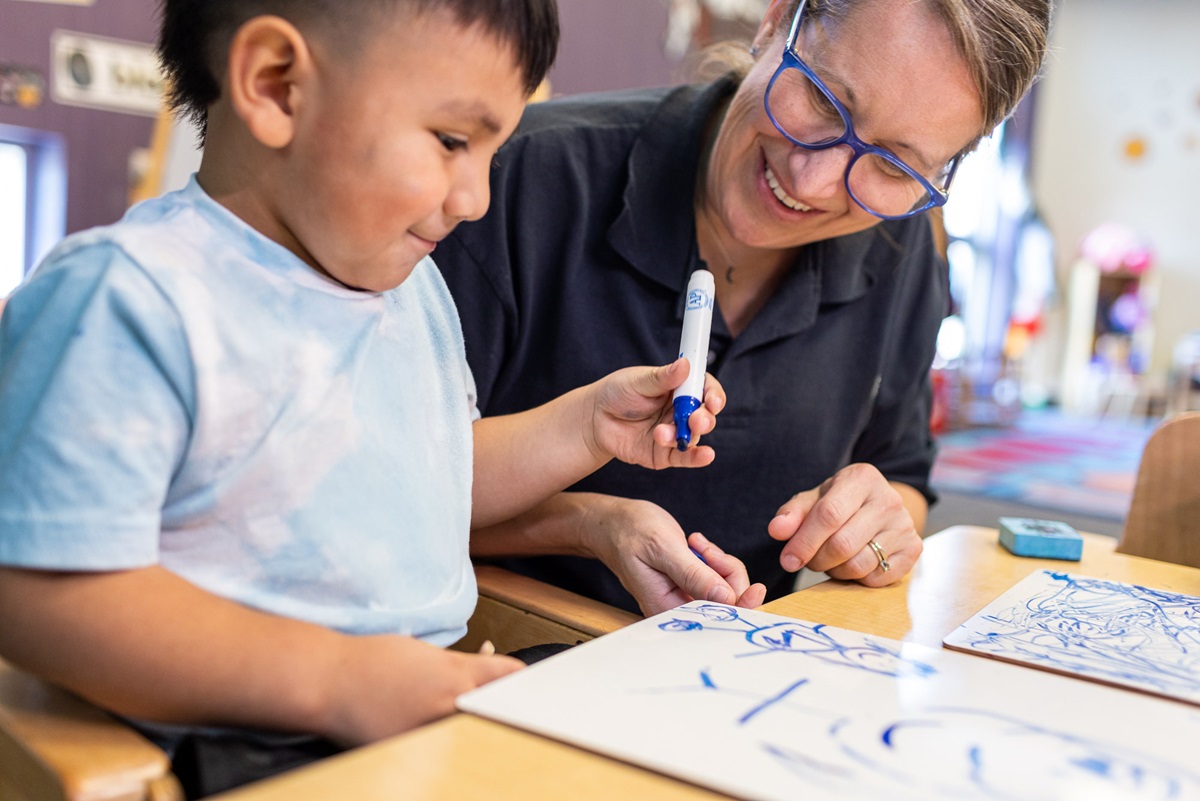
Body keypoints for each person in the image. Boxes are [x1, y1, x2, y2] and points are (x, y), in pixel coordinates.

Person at [0, 1, 733, 796]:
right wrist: (339, 678)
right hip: (254, 736)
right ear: (277, 86)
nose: (477, 199)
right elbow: (38, 595)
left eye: (494, 151)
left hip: (426, 696)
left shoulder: (410, 291)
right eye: (453, 141)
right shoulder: (131, 296)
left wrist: (585, 424)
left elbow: (437, 478)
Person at [436, 0, 1052, 614]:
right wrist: (587, 524)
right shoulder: (523, 178)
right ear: (775, 20)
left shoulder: (900, 243)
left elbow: (903, 476)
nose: (812, 183)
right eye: (821, 98)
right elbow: (392, 485)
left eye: (892, 165)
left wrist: (871, 520)